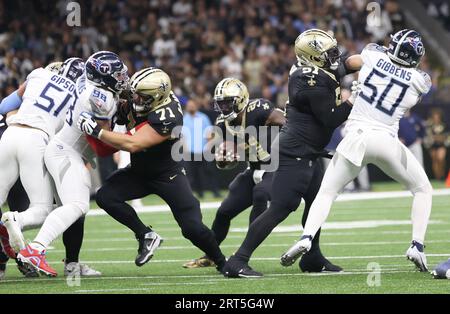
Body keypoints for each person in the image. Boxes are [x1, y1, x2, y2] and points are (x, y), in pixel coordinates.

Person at [283, 29, 433, 272]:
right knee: (422, 189)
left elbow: (344, 65)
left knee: (327, 192)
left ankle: (306, 238)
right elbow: (412, 85)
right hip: (386, 141)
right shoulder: (420, 81)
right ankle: (417, 245)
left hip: (355, 138)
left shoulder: (372, 55)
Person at [222, 29, 361, 278]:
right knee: (281, 207)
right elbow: (330, 119)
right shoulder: (307, 79)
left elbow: (347, 64)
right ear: (313, 57)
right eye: (328, 53)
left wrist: (375, 60)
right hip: (295, 151)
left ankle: (313, 257)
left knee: (316, 203)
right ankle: (237, 260)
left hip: (311, 151)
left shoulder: (318, 70)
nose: (334, 57)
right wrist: (353, 100)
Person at [77, 67, 227, 271]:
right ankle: (146, 235)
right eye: (134, 94)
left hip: (167, 175)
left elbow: (133, 144)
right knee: (105, 196)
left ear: (156, 98)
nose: (135, 99)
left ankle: (222, 262)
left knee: (192, 228)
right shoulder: (142, 93)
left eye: (141, 97)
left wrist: (96, 131)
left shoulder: (169, 114)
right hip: (139, 172)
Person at [7, 51, 128, 277]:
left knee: (70, 209)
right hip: (64, 151)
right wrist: (123, 130)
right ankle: (31, 243)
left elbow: (7, 104)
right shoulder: (99, 99)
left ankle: (55, 256)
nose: (121, 78)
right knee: (77, 206)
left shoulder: (87, 88)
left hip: (53, 148)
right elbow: (103, 148)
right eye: (116, 74)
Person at [0, 60, 100, 278]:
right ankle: (15, 221)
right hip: (37, 141)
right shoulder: (80, 95)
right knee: (43, 208)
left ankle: (6, 235)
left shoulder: (37, 74)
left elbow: (4, 106)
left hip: (10, 134)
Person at [183, 78, 285, 268]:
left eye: (227, 103)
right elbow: (224, 164)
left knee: (261, 195)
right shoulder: (222, 123)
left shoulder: (259, 109)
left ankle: (243, 254)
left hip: (276, 168)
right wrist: (224, 159)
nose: (223, 107)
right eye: (220, 103)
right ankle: (211, 255)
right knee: (224, 211)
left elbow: (289, 124)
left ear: (240, 100)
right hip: (253, 168)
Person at [182, 99, 220, 198]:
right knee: (193, 174)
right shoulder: (184, 119)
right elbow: (182, 136)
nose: (191, 107)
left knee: (209, 172)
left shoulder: (203, 117)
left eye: (192, 105)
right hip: (190, 150)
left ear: (196, 106)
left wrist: (209, 145)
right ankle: (200, 193)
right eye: (189, 106)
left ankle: (216, 192)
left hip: (203, 149)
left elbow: (209, 132)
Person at [424, 108, 448, 180]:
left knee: (441, 159)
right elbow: (428, 135)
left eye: (437, 117)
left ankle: (442, 175)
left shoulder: (443, 125)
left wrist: (438, 137)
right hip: (432, 145)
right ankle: (438, 177)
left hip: (441, 145)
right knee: (434, 161)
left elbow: (445, 136)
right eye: (434, 117)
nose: (436, 119)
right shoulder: (430, 126)